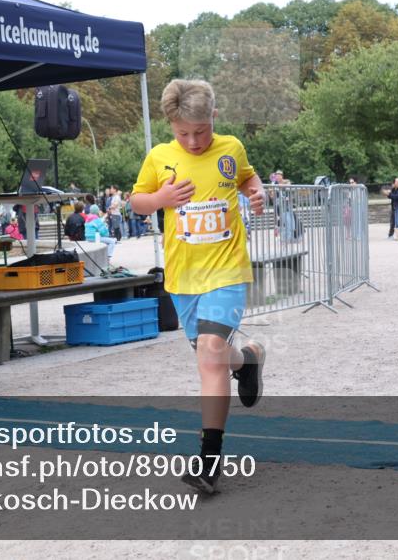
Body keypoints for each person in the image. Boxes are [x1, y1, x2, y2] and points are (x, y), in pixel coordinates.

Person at [129, 78, 265, 496]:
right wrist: (161, 199)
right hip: (183, 279)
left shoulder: (231, 148)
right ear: (171, 126)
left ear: (214, 118)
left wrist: (256, 192)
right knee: (216, 358)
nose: (192, 141)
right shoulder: (159, 157)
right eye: (182, 133)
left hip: (226, 271)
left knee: (208, 358)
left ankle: (209, 460)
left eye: (200, 132)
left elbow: (247, 178)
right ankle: (248, 361)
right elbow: (136, 202)